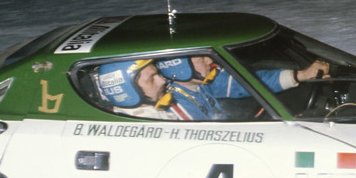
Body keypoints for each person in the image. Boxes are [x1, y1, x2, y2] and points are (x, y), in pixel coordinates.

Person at [97, 57, 329, 121]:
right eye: (202, 59)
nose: (210, 63)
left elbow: (246, 83)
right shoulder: (174, 102)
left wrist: (300, 75)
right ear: (181, 66)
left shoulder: (198, 84)